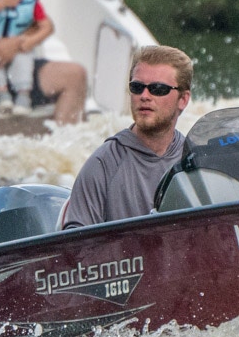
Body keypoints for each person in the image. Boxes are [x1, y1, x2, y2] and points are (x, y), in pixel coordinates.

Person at [60, 45, 194, 227]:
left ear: (183, 99)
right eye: (137, 87)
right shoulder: (102, 165)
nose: (144, 96)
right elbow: (77, 240)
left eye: (158, 89)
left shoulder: (194, 161)